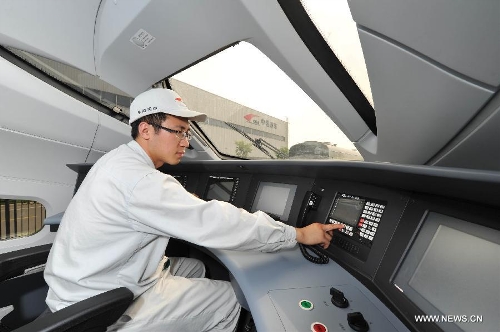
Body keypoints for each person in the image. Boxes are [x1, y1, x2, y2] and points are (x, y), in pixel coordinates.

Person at [44, 88, 344, 331]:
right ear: (146, 130)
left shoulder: (118, 160)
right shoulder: (141, 180)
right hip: (104, 303)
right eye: (178, 132)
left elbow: (155, 203)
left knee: (197, 267)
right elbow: (219, 223)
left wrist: (184, 201)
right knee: (229, 299)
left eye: (187, 133)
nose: (186, 143)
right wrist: (299, 234)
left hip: (85, 284)